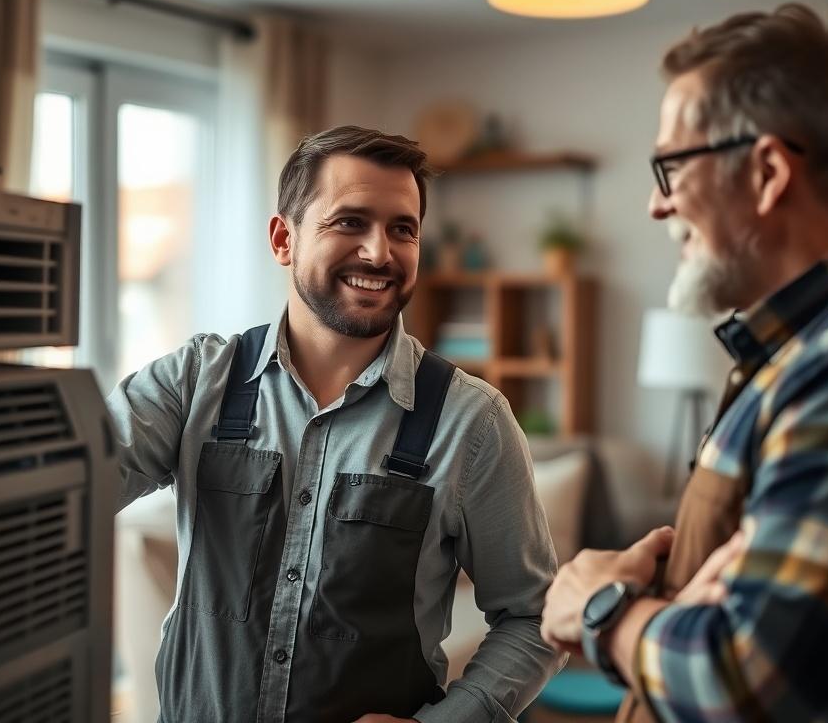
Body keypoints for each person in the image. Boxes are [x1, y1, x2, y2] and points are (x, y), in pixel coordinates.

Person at [540, 3, 828, 722]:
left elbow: (753, 679)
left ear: (766, 172)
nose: (654, 205)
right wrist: (674, 599)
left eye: (670, 167)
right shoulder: (802, 354)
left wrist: (601, 608)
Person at [109, 125, 561, 723]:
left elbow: (533, 617)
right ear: (283, 238)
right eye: (350, 222)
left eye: (403, 229)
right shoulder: (195, 383)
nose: (380, 253)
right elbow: (63, 486)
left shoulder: (472, 422)